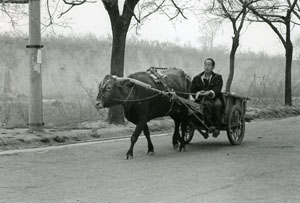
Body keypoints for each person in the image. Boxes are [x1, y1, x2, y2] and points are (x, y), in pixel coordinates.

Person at [191, 58, 224, 138]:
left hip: (214, 98)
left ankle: (216, 127)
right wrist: (199, 93)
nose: (207, 67)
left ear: (213, 67)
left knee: (218, 105)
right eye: (205, 65)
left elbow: (217, 89)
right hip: (201, 99)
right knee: (192, 107)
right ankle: (203, 123)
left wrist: (210, 92)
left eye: (209, 65)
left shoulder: (218, 77)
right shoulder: (197, 78)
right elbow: (192, 90)